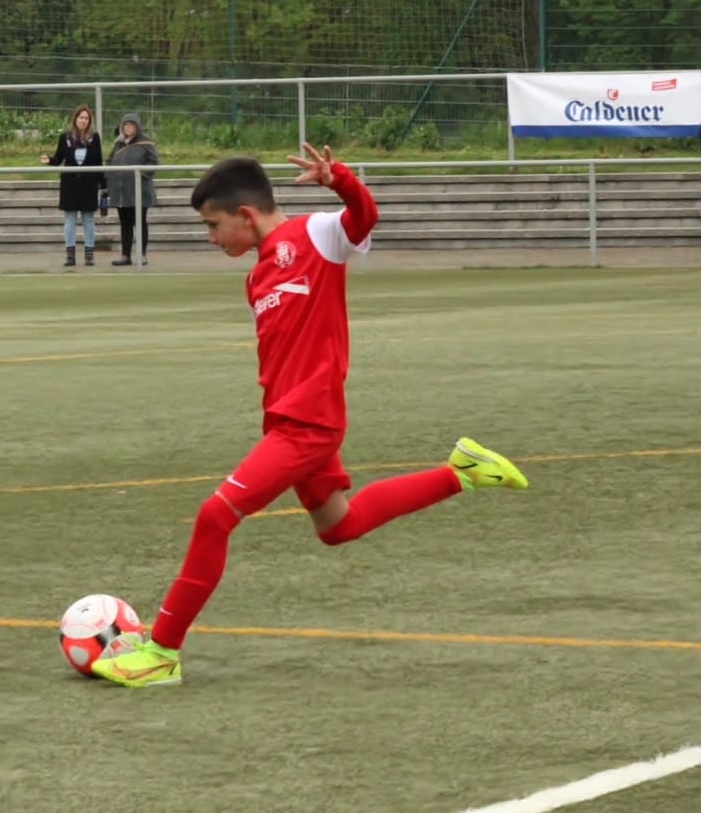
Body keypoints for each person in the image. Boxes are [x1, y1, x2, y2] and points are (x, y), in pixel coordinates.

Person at [91, 144, 530, 688]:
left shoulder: (317, 235)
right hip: (286, 422)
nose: (211, 238)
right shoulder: (257, 277)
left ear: (244, 215)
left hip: (310, 424)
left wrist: (338, 179)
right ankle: (461, 473)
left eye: (213, 226)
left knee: (214, 517)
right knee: (339, 526)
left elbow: (364, 216)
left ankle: (161, 652)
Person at [39, 105, 106, 268]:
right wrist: (49, 160)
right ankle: (70, 255)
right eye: (81, 117)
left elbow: (98, 162)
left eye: (86, 118)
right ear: (75, 119)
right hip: (70, 184)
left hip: (88, 184)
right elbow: (59, 159)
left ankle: (89, 254)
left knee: (88, 220)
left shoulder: (95, 138)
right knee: (69, 219)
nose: (83, 121)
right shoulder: (65, 137)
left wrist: (104, 185)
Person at [103, 113, 159, 268]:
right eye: (125, 125)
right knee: (125, 223)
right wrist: (108, 179)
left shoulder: (146, 142)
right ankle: (125, 255)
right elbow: (110, 162)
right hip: (121, 191)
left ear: (137, 127)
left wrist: (140, 174)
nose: (128, 127)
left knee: (139, 222)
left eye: (131, 125)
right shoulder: (118, 144)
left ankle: (142, 255)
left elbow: (153, 162)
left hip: (139, 191)